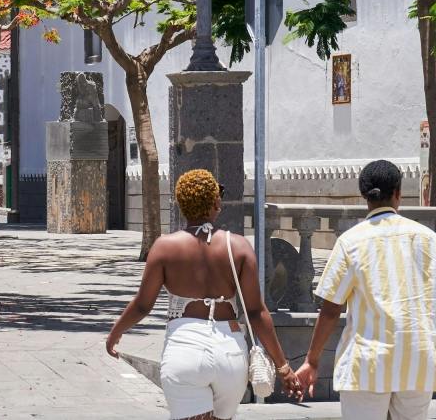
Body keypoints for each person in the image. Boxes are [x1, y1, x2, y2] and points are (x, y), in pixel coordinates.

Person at [105, 169, 300, 418]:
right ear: (216, 203)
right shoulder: (239, 246)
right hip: (230, 355)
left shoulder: (164, 247)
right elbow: (256, 312)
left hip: (184, 351)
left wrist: (116, 332)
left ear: (181, 205)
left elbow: (143, 305)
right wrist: (283, 367)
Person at [292, 159, 436, 419]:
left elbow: (331, 308)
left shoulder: (350, 242)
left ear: (365, 196)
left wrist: (311, 360)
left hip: (368, 361)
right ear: (398, 193)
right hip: (417, 358)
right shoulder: (427, 238)